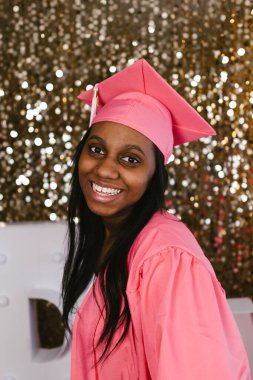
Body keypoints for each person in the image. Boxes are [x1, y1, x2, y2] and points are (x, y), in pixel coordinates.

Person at [61, 58, 251, 379]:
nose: (105, 169)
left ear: (154, 175)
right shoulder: (118, 239)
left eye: (130, 159)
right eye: (96, 149)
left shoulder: (167, 259)